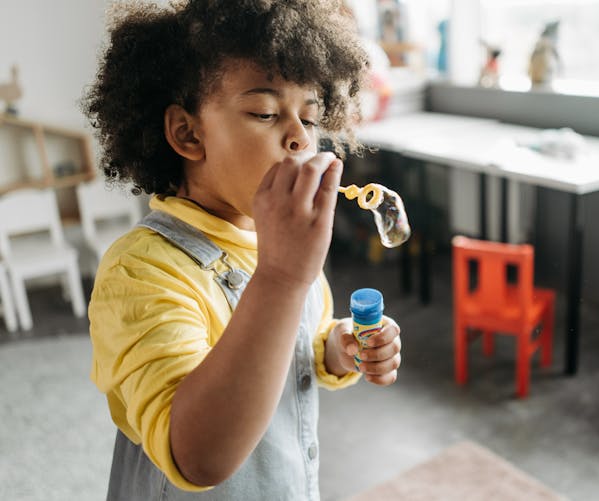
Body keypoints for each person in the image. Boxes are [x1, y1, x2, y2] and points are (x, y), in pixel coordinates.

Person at [82, 1, 402, 499]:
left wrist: (339, 347)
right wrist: (281, 277)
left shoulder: (277, 245)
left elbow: (301, 342)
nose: (300, 137)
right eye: (265, 113)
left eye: (311, 118)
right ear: (188, 133)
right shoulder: (140, 271)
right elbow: (199, 456)